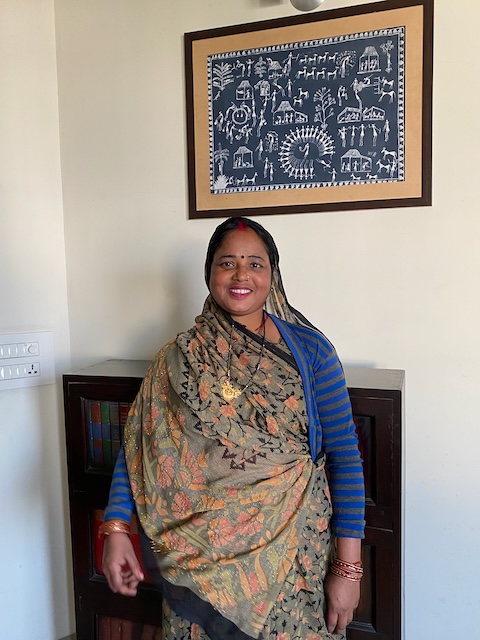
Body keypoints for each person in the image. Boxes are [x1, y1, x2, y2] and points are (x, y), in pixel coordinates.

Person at [100, 216, 365, 640]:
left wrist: (348, 569)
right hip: (197, 562)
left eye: (255, 264)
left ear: (272, 275)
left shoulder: (311, 352)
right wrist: (116, 528)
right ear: (209, 272)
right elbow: (140, 452)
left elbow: (344, 458)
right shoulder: (178, 358)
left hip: (293, 557)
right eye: (227, 263)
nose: (241, 275)